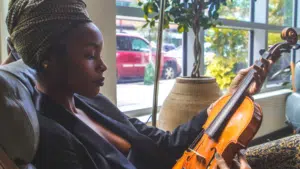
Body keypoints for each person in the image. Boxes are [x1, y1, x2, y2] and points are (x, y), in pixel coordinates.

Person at [4, 0, 298, 169]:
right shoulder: (54, 140)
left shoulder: (90, 102)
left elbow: (163, 143)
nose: (103, 66)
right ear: (48, 60)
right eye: (90, 56)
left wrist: (227, 100)